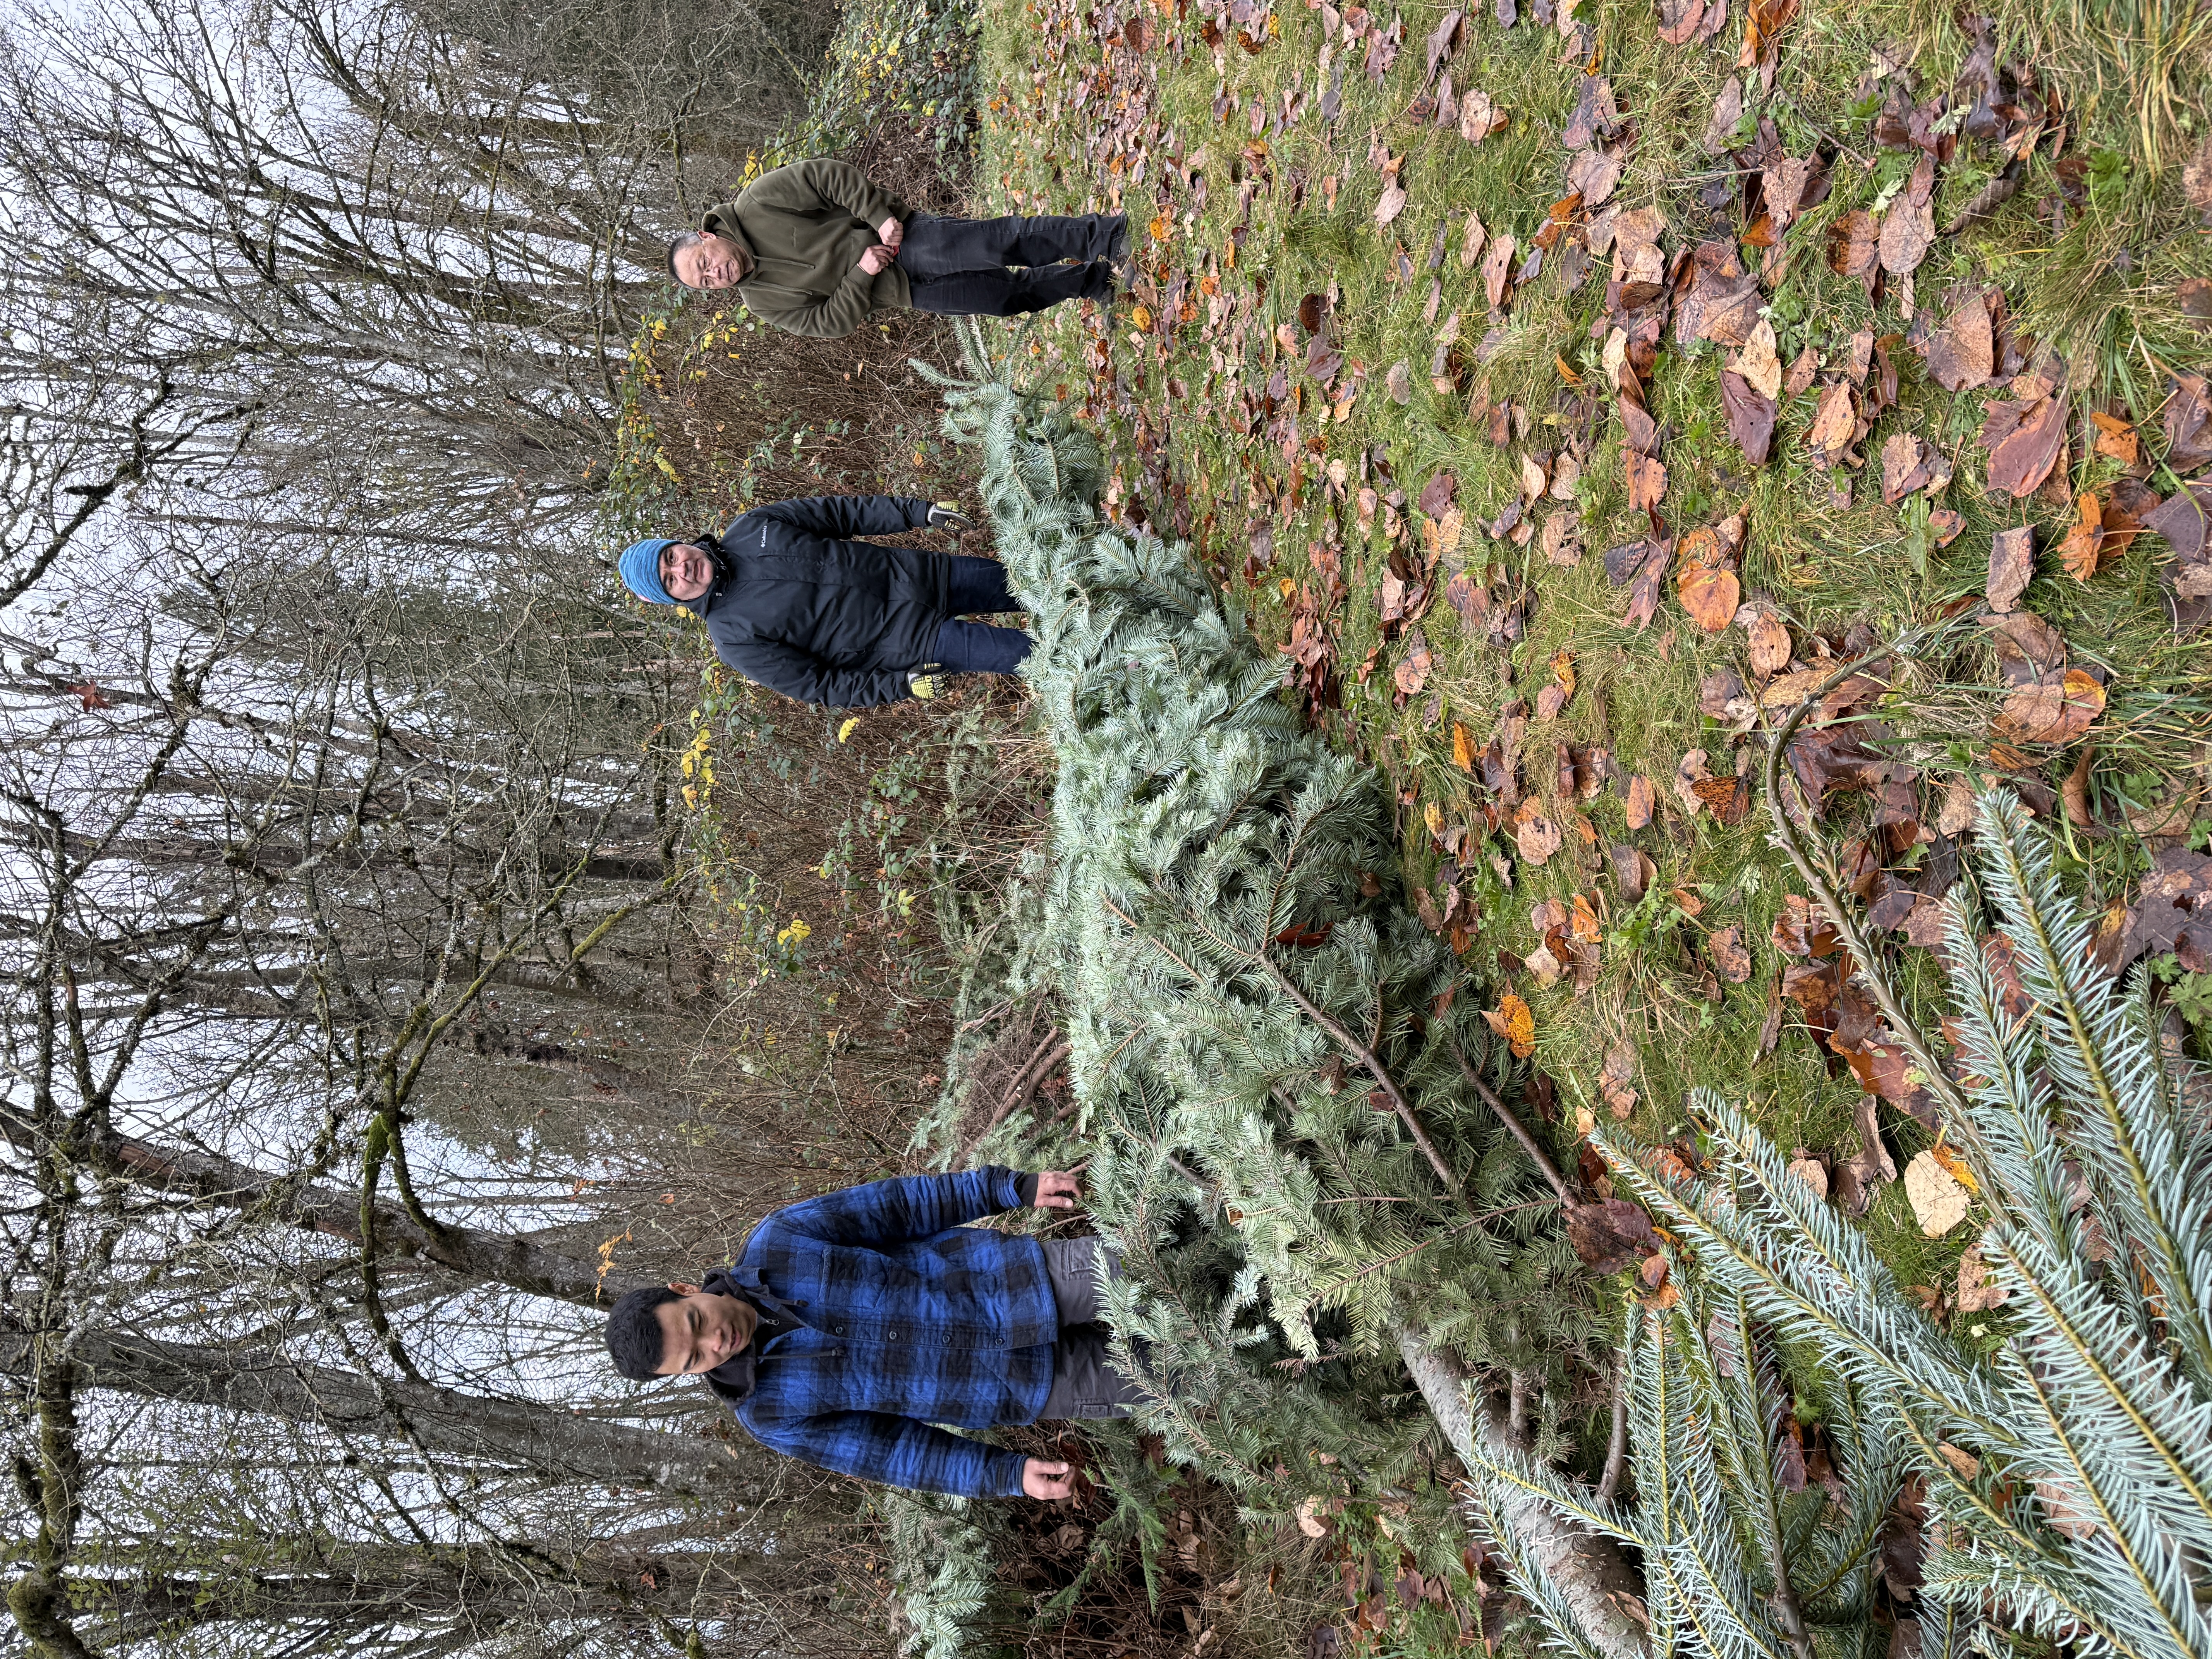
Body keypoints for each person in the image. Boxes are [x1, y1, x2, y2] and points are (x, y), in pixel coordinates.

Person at [603, 1168, 1150, 1499]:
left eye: (696, 1325)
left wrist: (1010, 1188)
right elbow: (893, 1454)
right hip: (1024, 1385)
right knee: (1181, 1380)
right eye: (694, 1360)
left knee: (1171, 1276)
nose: (714, 1345)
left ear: (684, 1288)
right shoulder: (768, 1415)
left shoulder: (780, 1241)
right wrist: (1006, 1475)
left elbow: (900, 1206)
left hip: (1018, 1281)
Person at [617, 494, 1029, 708]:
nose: (682, 570)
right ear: (673, 598)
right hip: (918, 640)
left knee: (1039, 583)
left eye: (671, 558)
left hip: (928, 576)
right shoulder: (732, 637)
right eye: (669, 581)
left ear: (678, 544)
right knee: (1037, 655)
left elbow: (839, 514)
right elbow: (818, 686)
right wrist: (900, 685)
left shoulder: (750, 528)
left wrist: (917, 513)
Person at [667, 157, 1127, 337]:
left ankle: (1104, 236)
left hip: (905, 239)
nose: (715, 276)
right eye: (705, 282)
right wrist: (862, 274)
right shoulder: (761, 300)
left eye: (705, 263)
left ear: (708, 237)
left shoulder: (756, 203)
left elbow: (826, 178)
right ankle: (1091, 281)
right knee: (1006, 299)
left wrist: (880, 218)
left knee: (1003, 244)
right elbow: (828, 323)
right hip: (901, 290)